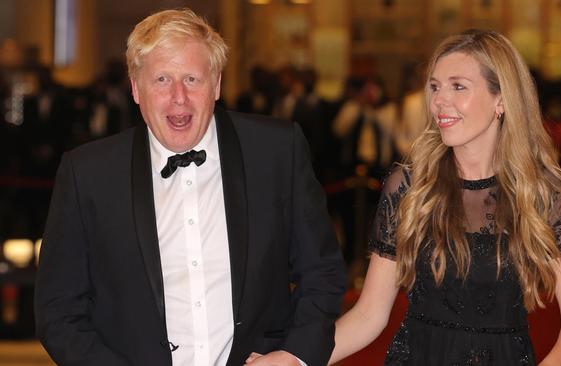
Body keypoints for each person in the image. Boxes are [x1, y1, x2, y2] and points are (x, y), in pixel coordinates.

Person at [34, 9, 346, 366]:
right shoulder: (87, 173)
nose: (179, 97)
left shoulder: (277, 151)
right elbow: (58, 312)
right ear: (136, 88)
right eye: (162, 79)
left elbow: (321, 271)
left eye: (192, 79)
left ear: (216, 85)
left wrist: (295, 355)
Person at [328, 29, 561, 366]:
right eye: (435, 86)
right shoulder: (409, 186)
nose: (439, 100)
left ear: (501, 100)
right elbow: (368, 314)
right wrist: (298, 359)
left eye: (458, 86)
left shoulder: (541, 191)